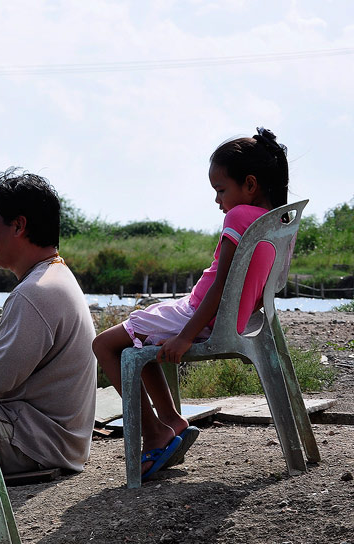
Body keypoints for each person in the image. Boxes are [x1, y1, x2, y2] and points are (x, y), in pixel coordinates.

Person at [91, 127, 290, 480]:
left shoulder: (239, 217)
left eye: (221, 190)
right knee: (138, 337)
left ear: (249, 184)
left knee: (105, 344)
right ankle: (170, 421)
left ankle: (156, 432)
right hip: (228, 317)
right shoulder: (276, 223)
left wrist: (186, 335)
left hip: (201, 315)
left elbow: (221, 288)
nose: (218, 201)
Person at [0, 169, 98, 475]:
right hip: (52, 437)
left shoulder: (35, 292)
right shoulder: (54, 277)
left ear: (18, 225)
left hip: (35, 441)